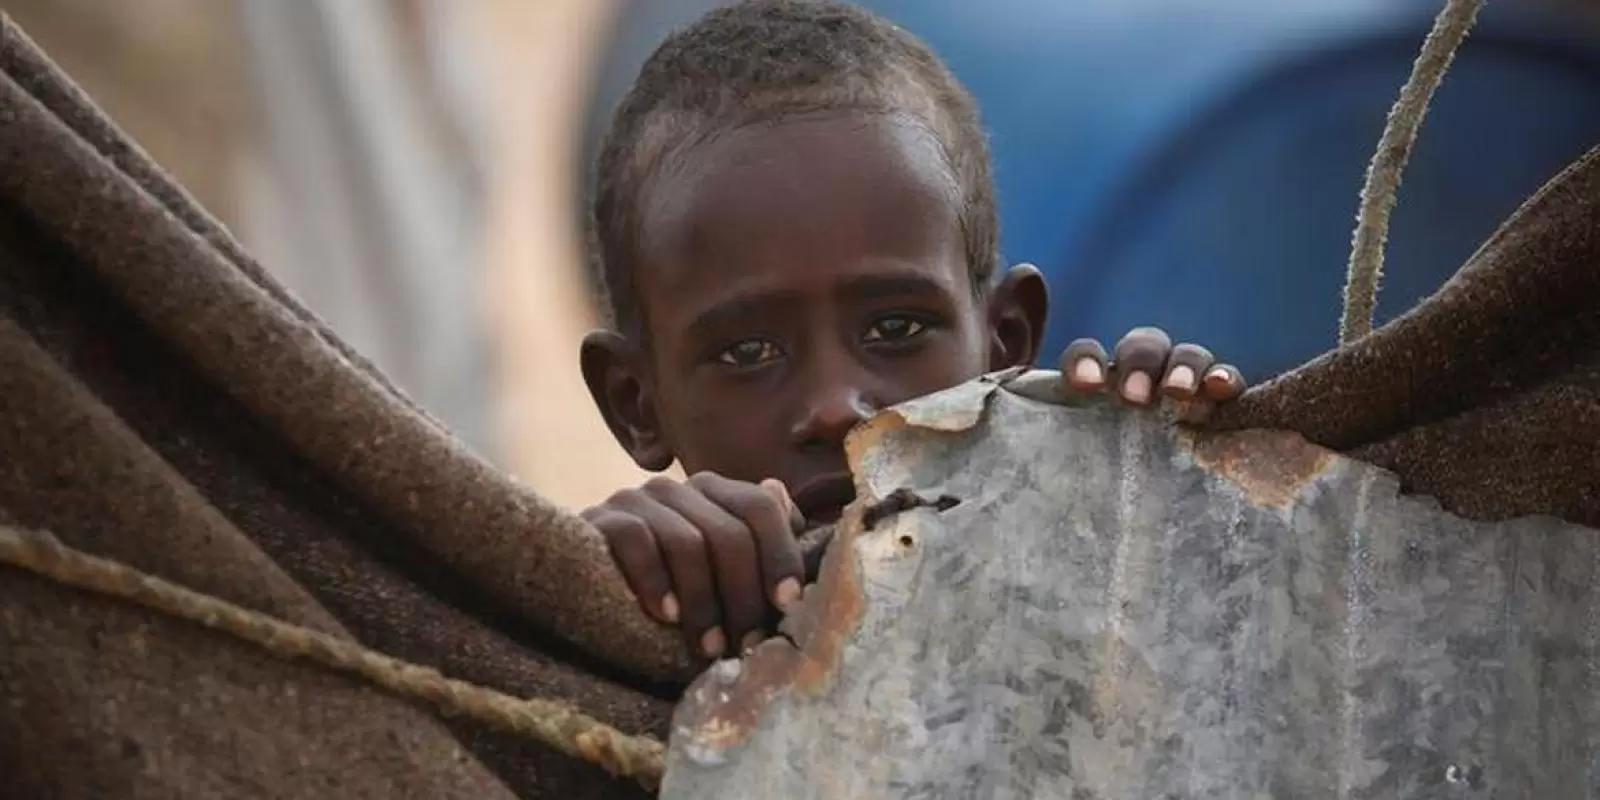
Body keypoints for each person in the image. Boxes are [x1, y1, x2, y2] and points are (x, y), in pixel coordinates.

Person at [577, 0, 1245, 661]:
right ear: (637, 403)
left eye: (895, 327)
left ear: (1005, 342)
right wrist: (580, 591)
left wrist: (1175, 483)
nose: (837, 406)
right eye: (748, 352)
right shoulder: (613, 647)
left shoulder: (1111, 580)